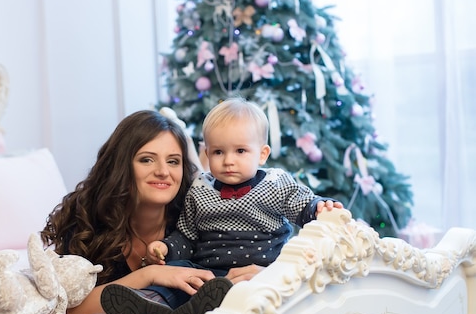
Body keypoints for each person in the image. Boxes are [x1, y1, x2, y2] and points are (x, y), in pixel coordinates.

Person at [40, 110, 263, 314]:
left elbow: (261, 250)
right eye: (147, 159)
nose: (163, 172)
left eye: (173, 161)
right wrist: (150, 275)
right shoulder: (89, 222)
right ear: (121, 165)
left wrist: (264, 272)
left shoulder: (199, 218)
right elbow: (68, 308)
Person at [142, 96, 344, 276]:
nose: (228, 160)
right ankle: (152, 297)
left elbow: (302, 205)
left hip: (264, 272)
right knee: (179, 274)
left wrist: (319, 206)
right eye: (218, 152)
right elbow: (187, 237)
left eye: (240, 151)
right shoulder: (200, 189)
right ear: (208, 153)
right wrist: (166, 248)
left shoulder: (275, 184)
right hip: (209, 274)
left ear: (262, 154)